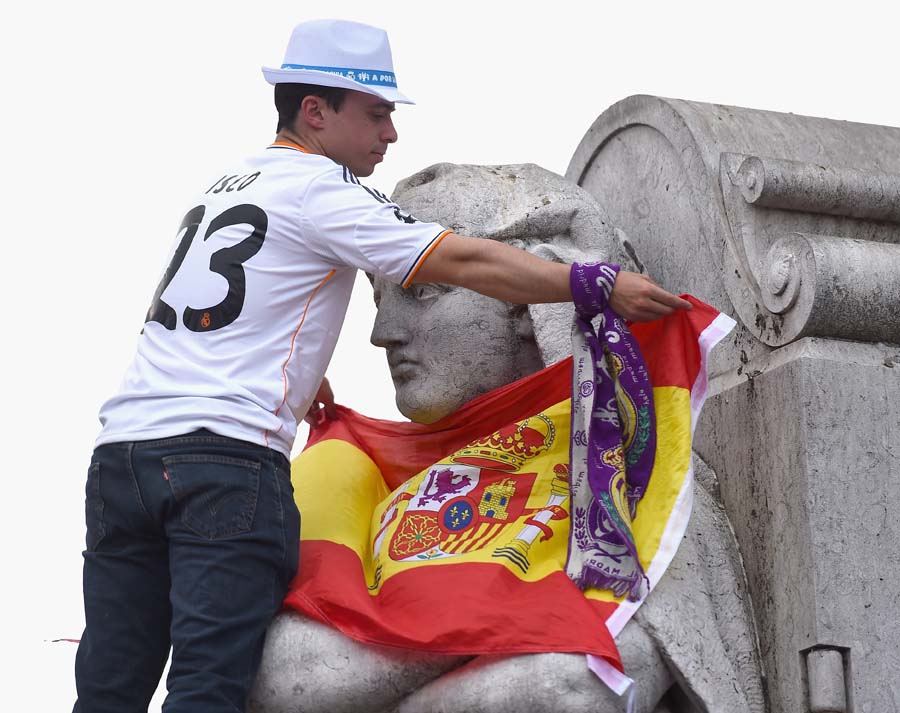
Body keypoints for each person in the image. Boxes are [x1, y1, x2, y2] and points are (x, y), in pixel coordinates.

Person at [73, 19, 691, 713]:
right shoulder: (323, 189)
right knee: (209, 687)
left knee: (110, 684)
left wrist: (301, 378)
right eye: (375, 112)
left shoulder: (229, 185)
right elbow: (461, 258)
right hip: (221, 469)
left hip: (122, 458)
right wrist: (590, 284)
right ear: (316, 112)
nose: (389, 133)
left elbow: (222, 314)